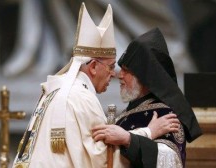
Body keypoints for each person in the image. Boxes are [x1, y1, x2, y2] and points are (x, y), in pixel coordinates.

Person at [12, 3, 131, 168]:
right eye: (111, 67)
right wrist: (144, 136)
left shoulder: (53, 90)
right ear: (94, 67)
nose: (114, 73)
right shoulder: (82, 98)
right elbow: (102, 159)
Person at [92, 28, 202, 168]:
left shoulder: (166, 115)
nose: (120, 75)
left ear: (145, 77)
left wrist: (128, 139)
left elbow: (170, 159)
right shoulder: (131, 111)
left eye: (127, 71)